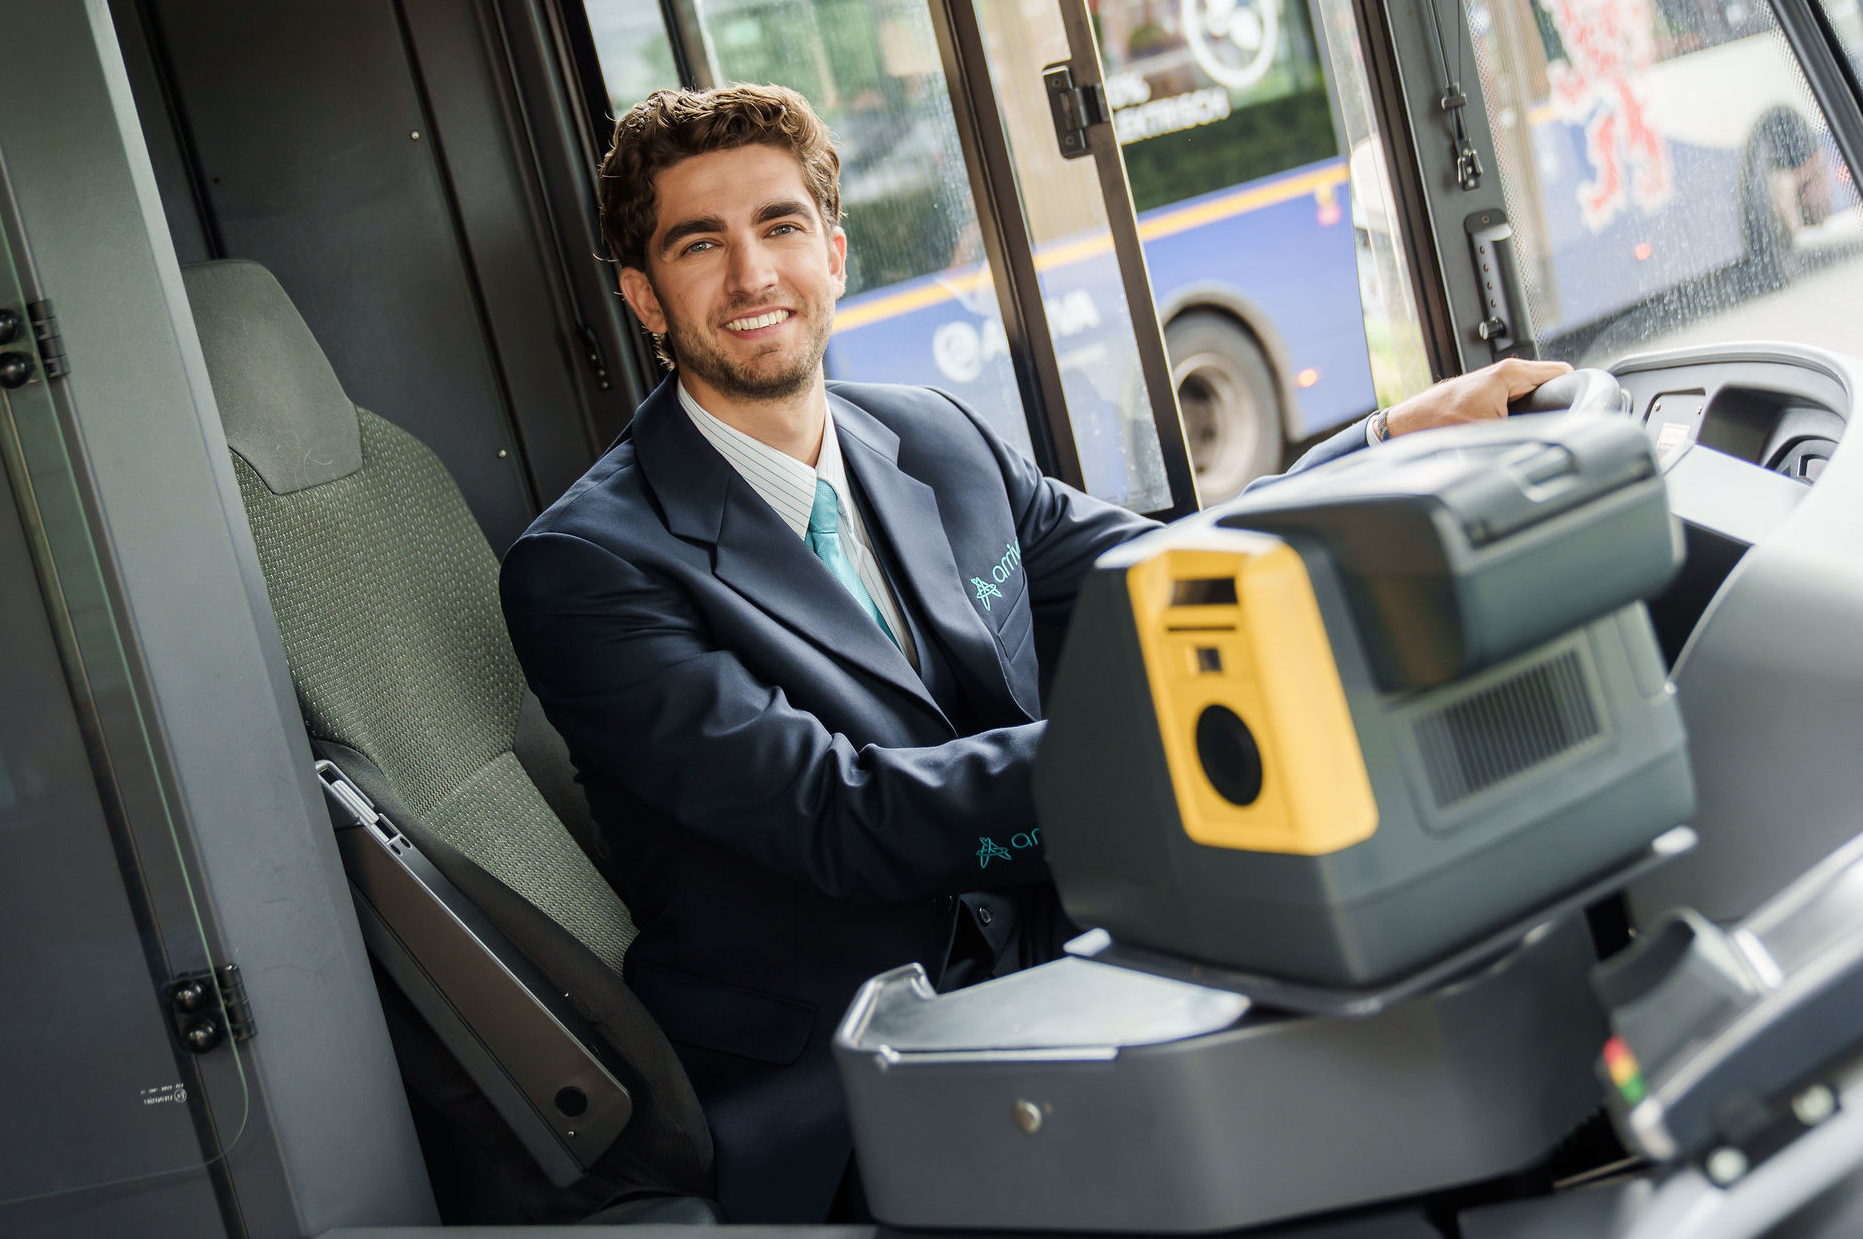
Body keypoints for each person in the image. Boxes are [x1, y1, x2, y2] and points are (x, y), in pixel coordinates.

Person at [499, 83, 1569, 1222]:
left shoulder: (930, 434)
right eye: (699, 244)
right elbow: (837, 815)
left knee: (1427, 1009)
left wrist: (1385, 444)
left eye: (779, 228)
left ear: (834, 254)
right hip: (850, 1061)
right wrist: (1175, 751)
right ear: (644, 298)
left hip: (1060, 949)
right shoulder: (585, 567)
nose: (752, 275)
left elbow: (1159, 574)